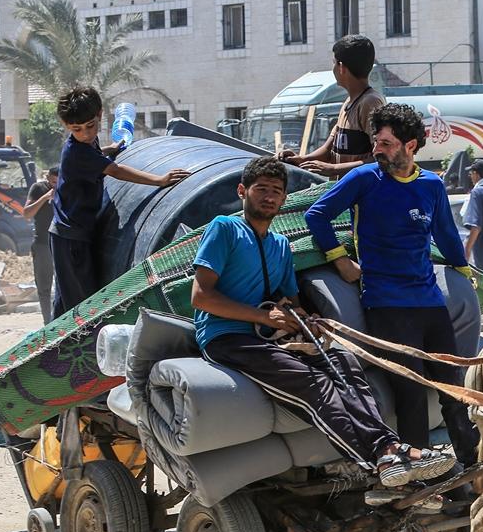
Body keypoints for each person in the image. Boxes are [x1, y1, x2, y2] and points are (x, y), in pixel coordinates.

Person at [192, 157, 455, 505]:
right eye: (261, 189)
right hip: (227, 337)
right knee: (311, 382)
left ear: (284, 200)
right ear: (242, 191)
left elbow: (291, 301)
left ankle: (391, 452)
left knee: (344, 364)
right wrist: (265, 318)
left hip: (269, 335)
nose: (269, 197)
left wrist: (305, 318)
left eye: (276, 191)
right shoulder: (224, 229)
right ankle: (382, 457)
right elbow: (201, 296)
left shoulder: (280, 246)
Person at [305, 103, 481, 469]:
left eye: (386, 143)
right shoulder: (365, 179)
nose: (377, 149)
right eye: (376, 142)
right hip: (386, 304)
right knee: (411, 392)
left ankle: (470, 466)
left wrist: (464, 272)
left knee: (453, 388)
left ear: (410, 145)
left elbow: (446, 235)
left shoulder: (431, 185)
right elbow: (317, 215)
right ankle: (416, 473)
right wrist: (340, 258)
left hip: (430, 304)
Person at [51, 86, 190, 318]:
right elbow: (116, 171)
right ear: (65, 126)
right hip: (71, 236)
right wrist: (159, 180)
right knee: (81, 301)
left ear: (100, 116)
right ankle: (76, 345)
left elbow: (96, 154)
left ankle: (55, 341)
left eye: (91, 126)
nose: (86, 133)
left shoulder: (85, 145)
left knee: (67, 295)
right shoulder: (78, 152)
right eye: (77, 129)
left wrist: (112, 148)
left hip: (72, 232)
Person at [280, 34, 385, 179]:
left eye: (334, 62)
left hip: (363, 195)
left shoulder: (370, 103)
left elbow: (381, 158)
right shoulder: (348, 102)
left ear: (341, 67)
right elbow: (329, 149)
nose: (333, 68)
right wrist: (301, 160)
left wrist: (335, 168)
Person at [24, 166, 59, 323]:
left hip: (60, 243)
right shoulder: (38, 188)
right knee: (44, 288)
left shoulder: (67, 187)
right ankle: (48, 323)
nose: (55, 185)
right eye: (53, 182)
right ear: (48, 178)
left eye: (59, 182)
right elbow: (27, 213)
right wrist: (45, 198)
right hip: (43, 244)